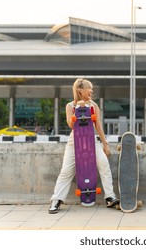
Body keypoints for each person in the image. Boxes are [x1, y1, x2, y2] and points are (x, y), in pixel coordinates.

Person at [48, 78, 119, 214]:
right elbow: (71, 124)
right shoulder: (70, 106)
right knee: (66, 170)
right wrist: (78, 110)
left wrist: (105, 144)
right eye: (89, 88)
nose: (92, 91)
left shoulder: (94, 106)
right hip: (75, 141)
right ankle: (56, 200)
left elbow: (98, 126)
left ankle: (110, 197)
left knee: (104, 164)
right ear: (80, 90)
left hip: (91, 139)